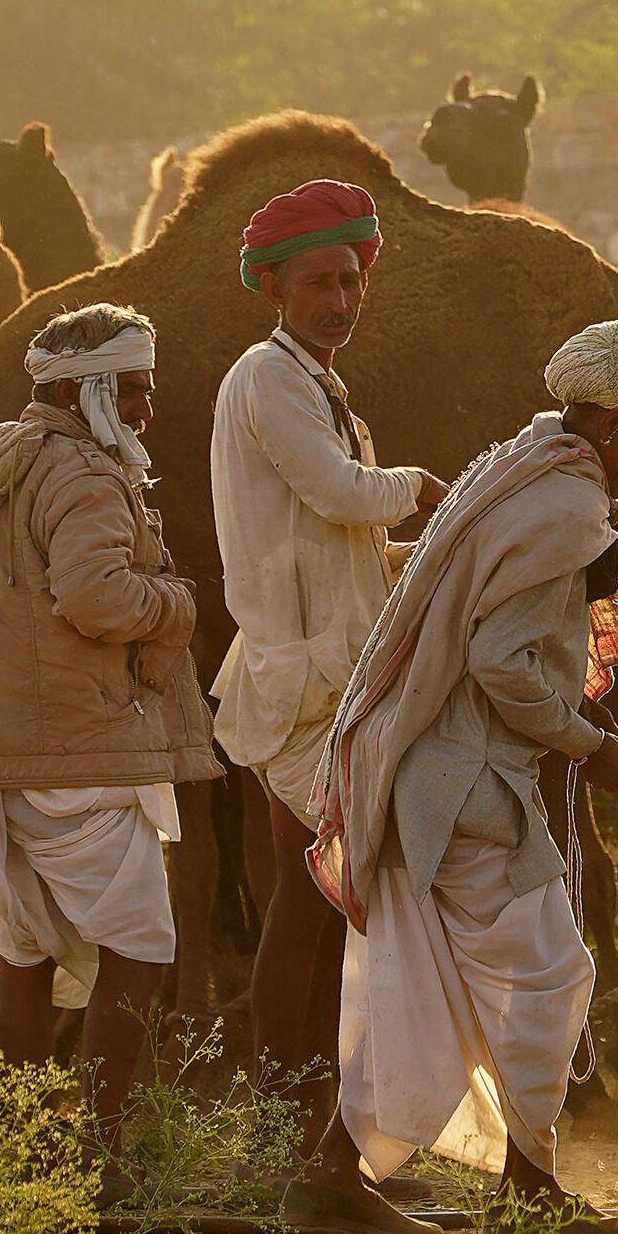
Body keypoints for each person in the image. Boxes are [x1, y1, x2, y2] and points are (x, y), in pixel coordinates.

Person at [284, 315, 618, 1234]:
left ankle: (339, 1175)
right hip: (466, 786)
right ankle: (522, 1193)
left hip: (440, 778)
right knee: (552, 978)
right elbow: (500, 660)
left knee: (427, 991)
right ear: (612, 423)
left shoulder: (525, 460)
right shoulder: (563, 507)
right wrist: (584, 743)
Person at [0, 303, 218, 1191]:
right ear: (79, 389)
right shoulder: (86, 478)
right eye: (131, 388)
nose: (145, 408)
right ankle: (101, 1163)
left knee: (19, 954)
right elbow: (99, 601)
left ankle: (21, 1159)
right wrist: (176, 605)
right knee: (139, 948)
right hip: (81, 756)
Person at [212, 178, 447, 1163]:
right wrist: (431, 493)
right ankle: (307, 1152)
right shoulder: (268, 379)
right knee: (306, 919)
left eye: (350, 281)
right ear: (273, 287)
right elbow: (341, 493)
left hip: (322, 675)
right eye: (318, 283)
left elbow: (341, 537)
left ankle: (314, 1144)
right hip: (303, 682)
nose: (339, 301)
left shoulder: (311, 384)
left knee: (310, 915)